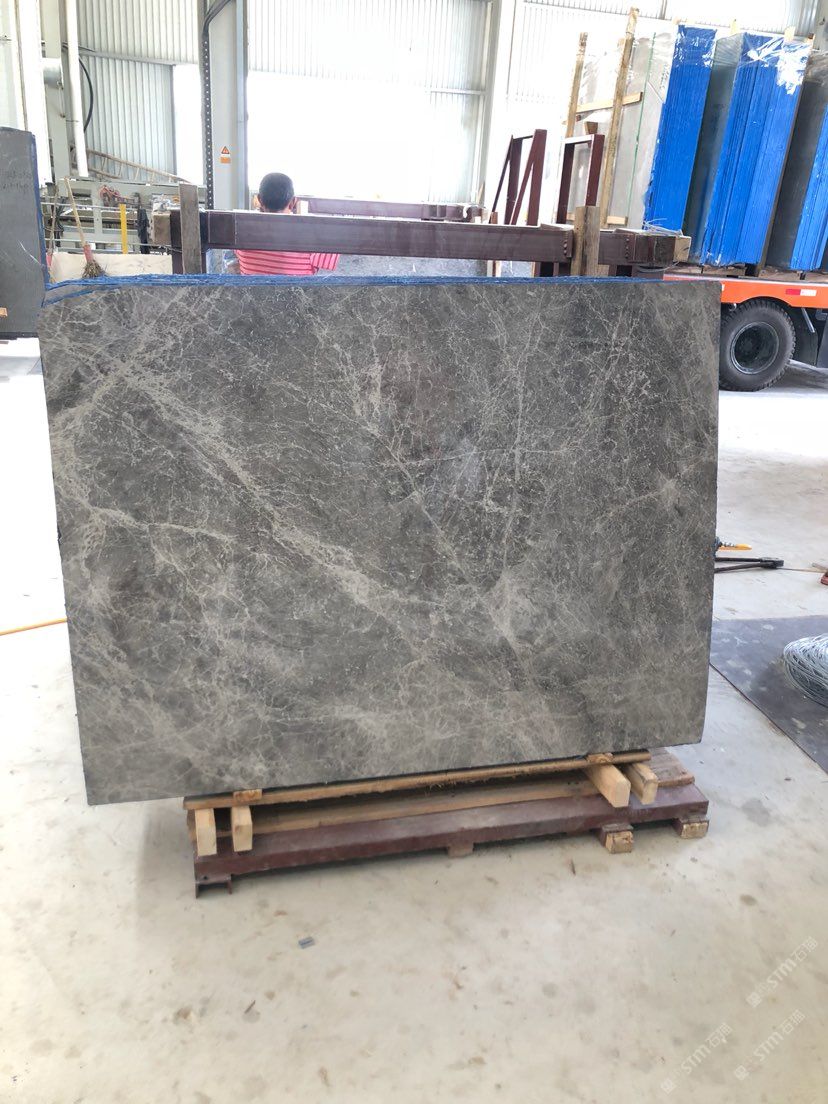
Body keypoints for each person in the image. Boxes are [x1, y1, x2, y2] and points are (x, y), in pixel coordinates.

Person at [232, 172, 339, 277]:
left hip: (252, 289)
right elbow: (330, 263)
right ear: (293, 202)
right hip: (296, 289)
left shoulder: (241, 230)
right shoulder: (311, 233)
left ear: (260, 200)